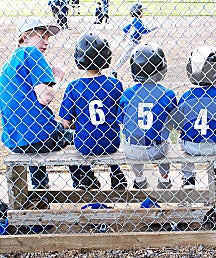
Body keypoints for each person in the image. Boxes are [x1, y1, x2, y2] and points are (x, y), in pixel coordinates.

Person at [0, 18, 80, 189]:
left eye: (48, 38)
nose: (46, 42)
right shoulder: (32, 52)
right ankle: (84, 184)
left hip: (15, 141)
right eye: (42, 36)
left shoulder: (9, 64)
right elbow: (44, 97)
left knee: (37, 130)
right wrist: (57, 78)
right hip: (41, 137)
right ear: (25, 37)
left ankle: (40, 190)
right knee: (80, 136)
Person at [59, 31, 127, 190]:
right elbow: (121, 117)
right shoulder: (115, 84)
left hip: (84, 144)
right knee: (107, 133)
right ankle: (116, 173)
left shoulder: (73, 86)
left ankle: (84, 177)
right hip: (112, 143)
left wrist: (84, 122)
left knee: (73, 136)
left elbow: (66, 123)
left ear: (79, 58)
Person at [118, 42, 177, 189]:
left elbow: (122, 121)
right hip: (157, 149)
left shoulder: (128, 94)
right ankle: (164, 179)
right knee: (166, 139)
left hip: (133, 149)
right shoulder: (168, 94)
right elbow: (174, 123)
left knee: (131, 140)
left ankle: (139, 179)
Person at [175, 46, 216, 189]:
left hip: (191, 147)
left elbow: (178, 127)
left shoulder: (185, 97)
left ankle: (188, 178)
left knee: (180, 138)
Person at [110, 2, 157, 78]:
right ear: (137, 11)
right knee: (126, 56)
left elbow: (125, 29)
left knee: (136, 55)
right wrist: (153, 28)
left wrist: (124, 37)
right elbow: (144, 31)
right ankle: (114, 70)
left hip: (134, 42)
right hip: (134, 43)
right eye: (141, 10)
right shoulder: (138, 21)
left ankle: (143, 69)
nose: (142, 12)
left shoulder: (134, 20)